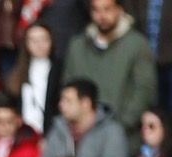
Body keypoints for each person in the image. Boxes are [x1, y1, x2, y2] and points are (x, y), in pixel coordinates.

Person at [61, 0, 157, 144]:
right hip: (79, 137)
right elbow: (67, 87)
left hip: (122, 138)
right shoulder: (77, 46)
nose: (102, 16)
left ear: (120, 10)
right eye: (96, 10)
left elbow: (144, 92)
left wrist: (116, 128)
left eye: (107, 9)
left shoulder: (137, 45)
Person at [5, 22, 62, 135]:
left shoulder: (60, 70)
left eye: (43, 39)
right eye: (33, 40)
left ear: (51, 41)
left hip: (50, 135)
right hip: (23, 135)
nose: (39, 45)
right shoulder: (18, 72)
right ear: (26, 44)